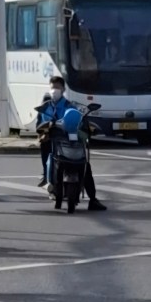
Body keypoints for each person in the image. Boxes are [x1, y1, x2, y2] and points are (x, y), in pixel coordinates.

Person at [36, 76, 106, 211]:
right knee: (46, 149)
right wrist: (44, 131)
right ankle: (48, 178)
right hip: (53, 140)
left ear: (63, 89)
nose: (54, 90)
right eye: (52, 87)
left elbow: (79, 119)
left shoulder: (70, 106)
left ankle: (93, 199)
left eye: (57, 87)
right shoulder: (45, 107)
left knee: (86, 166)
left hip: (70, 140)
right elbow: (39, 125)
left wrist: (87, 127)